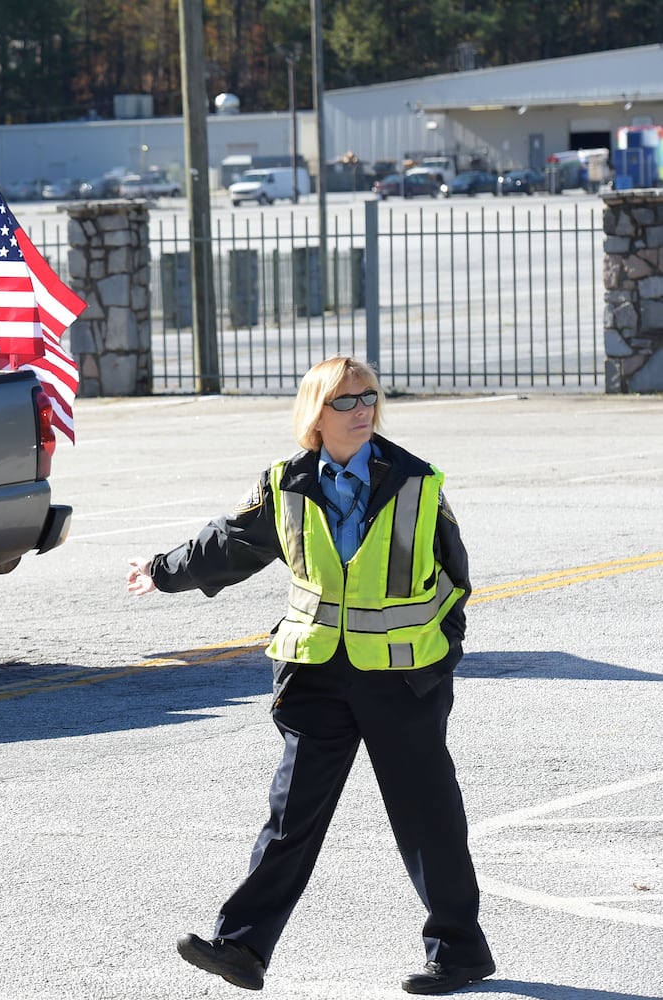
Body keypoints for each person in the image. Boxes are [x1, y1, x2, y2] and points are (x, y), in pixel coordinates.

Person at [125, 356, 495, 996]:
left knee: (427, 817)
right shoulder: (285, 483)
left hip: (403, 679)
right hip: (316, 675)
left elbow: (455, 581)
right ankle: (242, 948)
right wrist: (162, 570)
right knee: (290, 817)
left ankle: (460, 951)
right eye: (346, 402)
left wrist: (440, 659)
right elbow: (230, 544)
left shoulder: (417, 481)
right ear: (315, 415)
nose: (361, 411)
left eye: (369, 398)